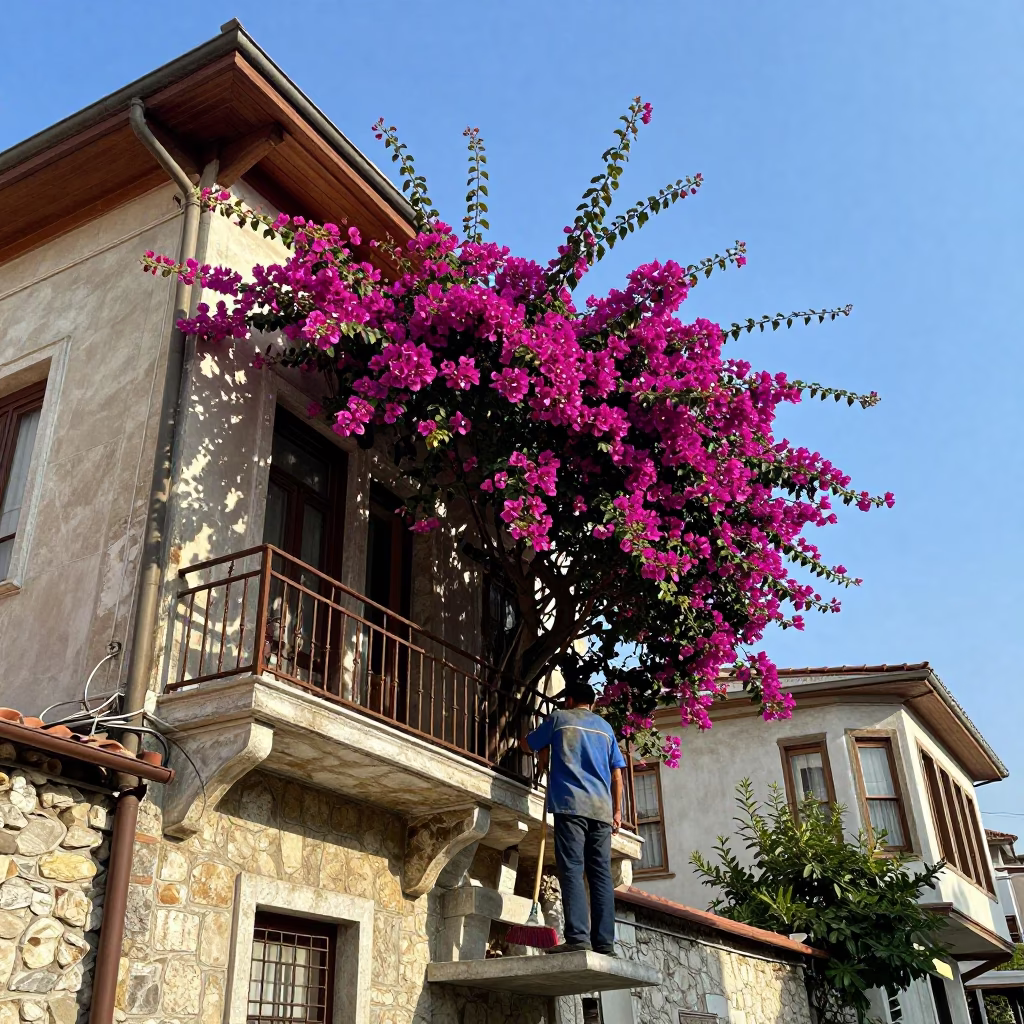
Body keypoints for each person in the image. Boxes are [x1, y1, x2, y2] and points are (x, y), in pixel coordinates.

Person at [520, 680, 626, 955]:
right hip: (602, 810)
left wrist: (538, 749)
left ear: (569, 700)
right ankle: (605, 943)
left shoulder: (559, 719)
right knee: (601, 875)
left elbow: (527, 745)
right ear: (591, 703)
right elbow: (617, 774)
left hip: (571, 805)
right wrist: (617, 811)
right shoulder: (605, 729)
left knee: (572, 870)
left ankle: (578, 937)